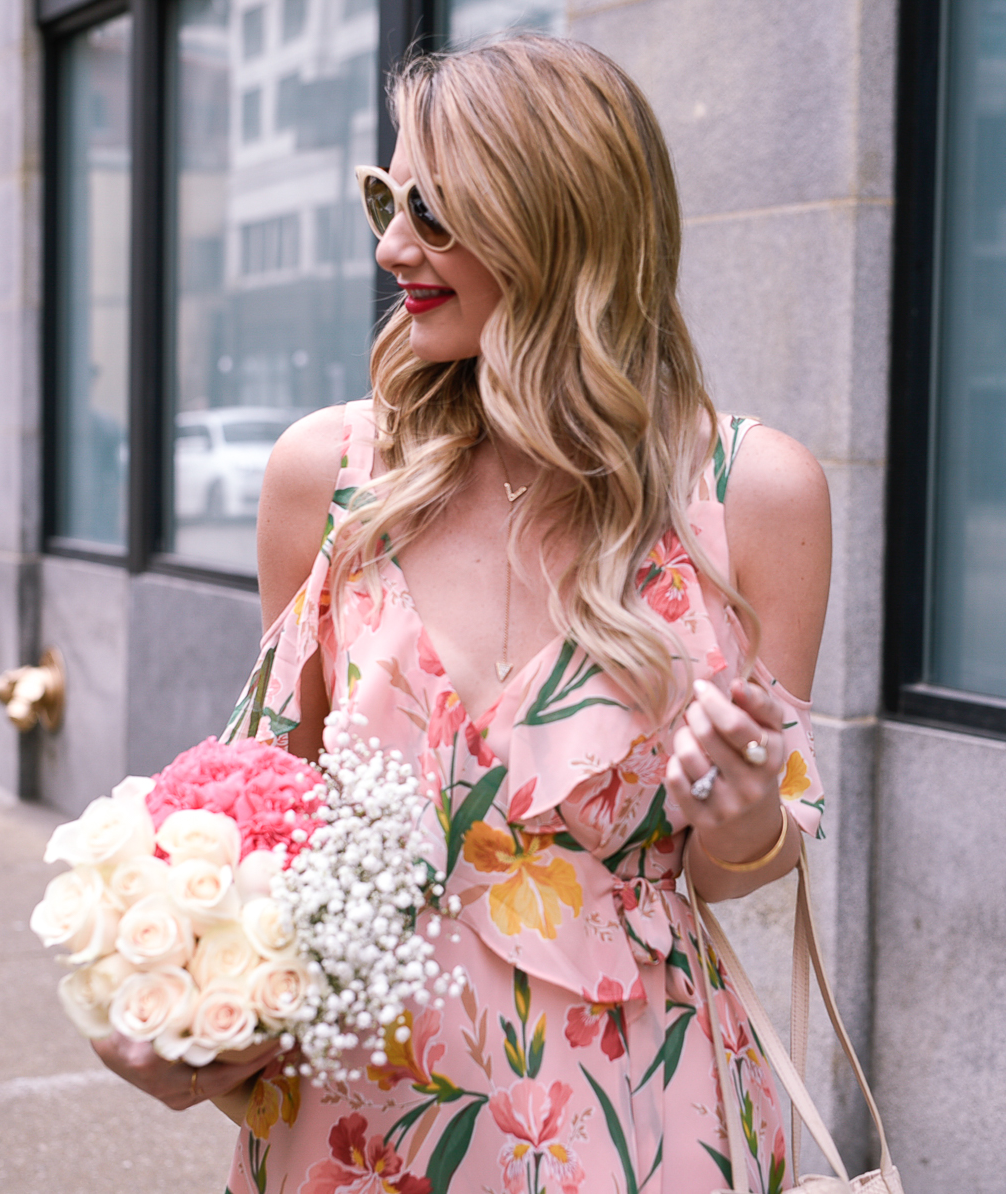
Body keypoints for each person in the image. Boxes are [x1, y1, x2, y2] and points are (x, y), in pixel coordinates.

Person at [96, 34, 831, 1194]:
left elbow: (741, 865)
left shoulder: (751, 493)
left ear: (559, 223)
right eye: (386, 198)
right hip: (362, 1119)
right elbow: (270, 823)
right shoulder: (328, 478)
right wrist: (167, 996)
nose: (392, 245)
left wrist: (740, 820)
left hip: (641, 1110)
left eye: (434, 212)